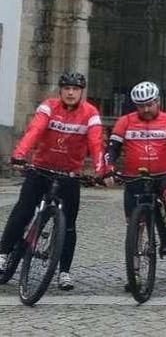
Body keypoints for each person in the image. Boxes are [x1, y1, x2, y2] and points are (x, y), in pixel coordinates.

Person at [0, 71, 104, 291]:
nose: (70, 92)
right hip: (40, 170)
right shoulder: (48, 106)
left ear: (81, 92)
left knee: (69, 225)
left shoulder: (91, 113)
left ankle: (64, 272)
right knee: (23, 210)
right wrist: (19, 154)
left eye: (75, 89)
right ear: (60, 90)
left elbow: (95, 143)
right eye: (66, 88)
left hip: (69, 176)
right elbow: (34, 131)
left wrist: (99, 169)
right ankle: (3, 253)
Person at [103, 81, 166, 272]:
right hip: (134, 179)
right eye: (141, 106)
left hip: (163, 177)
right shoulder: (125, 121)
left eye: (150, 104)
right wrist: (108, 168)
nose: (146, 109)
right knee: (136, 227)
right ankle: (134, 273)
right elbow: (112, 149)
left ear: (157, 101)